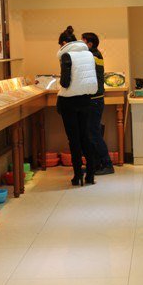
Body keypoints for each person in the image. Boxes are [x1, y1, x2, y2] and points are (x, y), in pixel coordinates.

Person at [56, 26, 97, 186]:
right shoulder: (88, 54)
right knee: (85, 136)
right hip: (86, 100)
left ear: (64, 43)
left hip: (69, 102)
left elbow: (65, 82)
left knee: (73, 139)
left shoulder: (66, 56)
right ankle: (91, 174)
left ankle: (78, 175)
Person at [81, 32, 115, 176]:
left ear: (90, 44)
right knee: (92, 133)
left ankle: (107, 164)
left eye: (83, 42)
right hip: (95, 98)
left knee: (94, 133)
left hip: (94, 99)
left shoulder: (92, 57)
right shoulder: (95, 55)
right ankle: (95, 164)